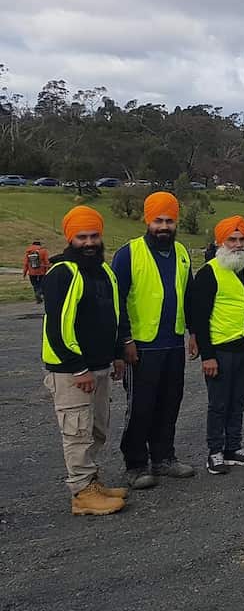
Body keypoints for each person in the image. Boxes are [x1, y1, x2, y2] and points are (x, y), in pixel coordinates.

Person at [42, 205, 129, 515]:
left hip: (101, 365)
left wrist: (117, 354)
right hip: (72, 372)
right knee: (77, 430)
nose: (89, 243)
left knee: (97, 428)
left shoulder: (104, 271)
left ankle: (92, 480)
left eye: (94, 236)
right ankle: (82, 492)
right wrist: (77, 367)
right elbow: (58, 326)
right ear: (70, 238)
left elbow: (115, 315)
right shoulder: (62, 273)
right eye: (82, 237)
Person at [112, 191, 196, 488]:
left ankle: (163, 458)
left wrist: (194, 333)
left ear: (176, 222)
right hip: (141, 346)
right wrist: (124, 341)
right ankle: (136, 464)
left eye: (169, 221)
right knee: (141, 406)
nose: (164, 226)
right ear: (147, 221)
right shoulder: (128, 254)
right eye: (158, 220)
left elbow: (189, 297)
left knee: (170, 402)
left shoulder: (182, 253)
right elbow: (116, 301)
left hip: (173, 343)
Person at [185, 215, 244, 475]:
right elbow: (199, 317)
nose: (238, 244)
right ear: (220, 241)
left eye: (242, 239)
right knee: (218, 403)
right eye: (232, 239)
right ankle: (215, 452)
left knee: (239, 400)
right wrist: (207, 355)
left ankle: (234, 447)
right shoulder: (210, 272)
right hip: (220, 349)